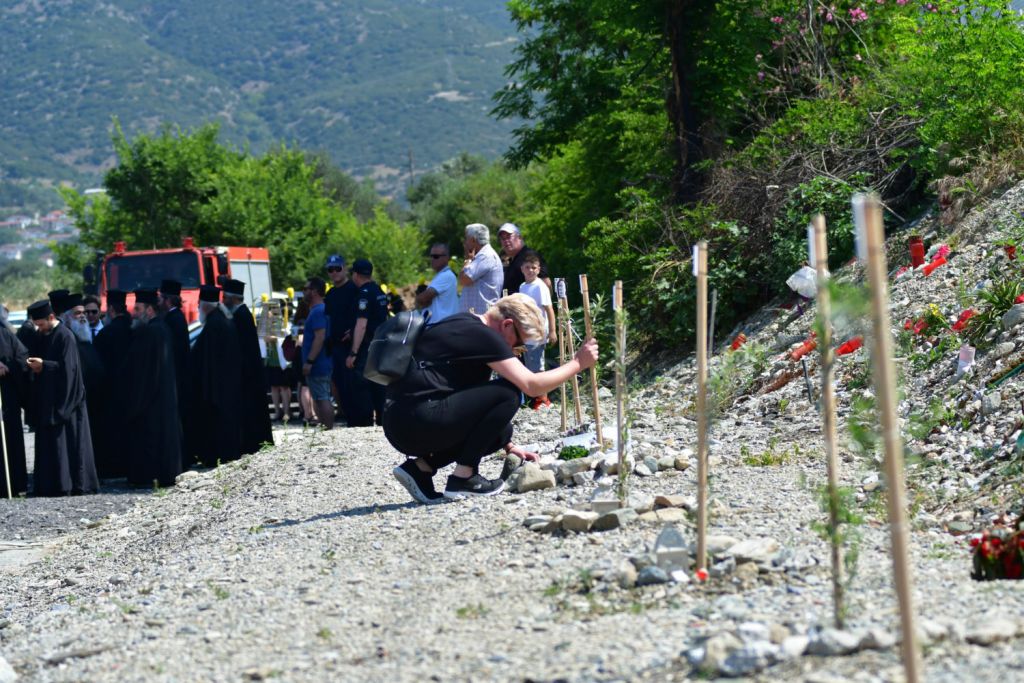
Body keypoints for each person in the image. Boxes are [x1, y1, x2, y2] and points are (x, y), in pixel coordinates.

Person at [385, 293, 598, 503]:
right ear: (507, 325)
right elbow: (532, 386)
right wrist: (578, 363)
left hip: (402, 420)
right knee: (509, 392)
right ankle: (464, 478)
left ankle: (420, 469)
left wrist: (507, 444)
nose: (516, 351)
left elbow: (473, 401)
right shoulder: (486, 337)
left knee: (501, 432)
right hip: (418, 421)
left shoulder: (462, 322)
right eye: (519, 343)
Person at [24, 300, 99, 496]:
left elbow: (69, 371)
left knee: (68, 446)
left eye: (40, 324)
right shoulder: (44, 335)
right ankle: (50, 485)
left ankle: (70, 485)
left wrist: (44, 365)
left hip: (66, 402)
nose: (39, 328)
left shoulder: (65, 336)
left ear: (50, 318)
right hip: (48, 400)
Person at [119, 289, 182, 487]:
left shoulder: (150, 332)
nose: (134, 312)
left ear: (149, 310)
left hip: (151, 402)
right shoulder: (161, 329)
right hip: (163, 399)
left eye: (137, 308)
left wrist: (133, 402)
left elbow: (143, 373)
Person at [189, 286, 243, 466]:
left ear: (204, 306)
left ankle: (217, 457)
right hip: (226, 385)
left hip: (216, 387)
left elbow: (208, 362)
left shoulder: (214, 325)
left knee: (218, 426)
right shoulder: (222, 320)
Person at [223, 279, 274, 453]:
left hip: (249, 375)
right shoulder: (242, 314)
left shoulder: (240, 316)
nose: (223, 300)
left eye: (225, 297)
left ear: (232, 298)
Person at [93, 289, 133, 478]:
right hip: (130, 390)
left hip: (110, 391)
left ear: (110, 309)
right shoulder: (135, 328)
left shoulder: (106, 333)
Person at [344, 259, 388, 427]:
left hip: (366, 348)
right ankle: (383, 422)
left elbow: (362, 324)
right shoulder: (378, 291)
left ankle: (365, 425)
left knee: (362, 386)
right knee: (379, 386)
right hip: (380, 346)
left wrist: (353, 353)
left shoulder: (363, 293)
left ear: (355, 274)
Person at [518, 250, 558, 409]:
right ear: (522, 268)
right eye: (527, 267)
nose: (530, 270)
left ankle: (543, 400)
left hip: (538, 332)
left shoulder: (540, 286)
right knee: (527, 365)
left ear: (539, 269)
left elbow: (549, 309)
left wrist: (552, 331)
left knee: (537, 367)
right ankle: (533, 399)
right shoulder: (522, 286)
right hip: (526, 332)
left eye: (534, 267)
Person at [322, 254, 357, 421]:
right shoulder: (330, 295)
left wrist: (354, 331)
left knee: (354, 384)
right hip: (335, 346)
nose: (334, 272)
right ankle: (347, 415)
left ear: (344, 269)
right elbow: (327, 320)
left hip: (352, 346)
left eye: (338, 268)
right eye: (330, 269)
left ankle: (359, 416)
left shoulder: (354, 289)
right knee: (338, 384)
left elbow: (364, 316)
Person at [0, 309, 29, 496]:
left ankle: (15, 484)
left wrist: (8, 367)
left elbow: (22, 358)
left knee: (10, 442)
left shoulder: (5, 334)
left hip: (7, 399)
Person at [301, 277, 334, 429]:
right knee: (319, 397)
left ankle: (328, 431)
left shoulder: (318, 311)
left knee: (322, 398)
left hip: (319, 363)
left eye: (305, 289)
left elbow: (319, 337)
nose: (303, 292)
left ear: (314, 291)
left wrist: (310, 361)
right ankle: (325, 428)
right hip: (319, 362)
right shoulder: (319, 310)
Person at [159, 279, 190, 432]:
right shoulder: (175, 317)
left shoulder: (174, 319)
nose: (159, 301)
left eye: (161, 297)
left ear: (168, 300)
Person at [458, 223, 503, 314]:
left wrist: (467, 259)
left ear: (473, 240)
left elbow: (464, 279)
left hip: (482, 317)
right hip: (477, 317)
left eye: (466, 238)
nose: (465, 242)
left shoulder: (485, 256)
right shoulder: (481, 256)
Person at [498, 223, 551, 296]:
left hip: (527, 306)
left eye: (509, 236)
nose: (506, 241)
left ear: (519, 237)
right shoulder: (507, 260)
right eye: (503, 238)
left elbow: (546, 283)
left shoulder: (530, 256)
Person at [415, 243, 458, 324]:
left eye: (436, 256)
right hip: (440, 327)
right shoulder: (442, 275)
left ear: (446, 258)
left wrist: (419, 296)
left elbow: (422, 299)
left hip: (440, 327)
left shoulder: (446, 276)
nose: (432, 259)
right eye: (431, 256)